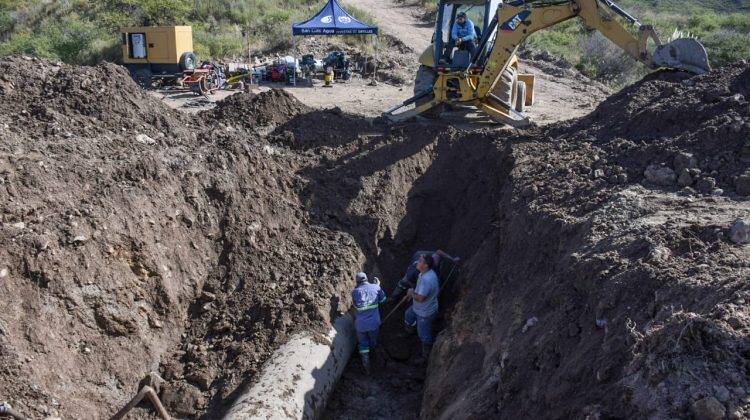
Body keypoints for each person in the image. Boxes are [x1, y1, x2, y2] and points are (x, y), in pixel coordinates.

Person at [404, 253, 440, 364]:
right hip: (419, 307)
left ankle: (425, 357)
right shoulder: (425, 273)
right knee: (408, 316)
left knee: (424, 335)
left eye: (420, 261)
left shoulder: (426, 280)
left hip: (424, 313)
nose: (417, 262)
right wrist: (414, 292)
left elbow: (420, 298)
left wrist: (411, 294)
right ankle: (410, 332)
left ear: (426, 265)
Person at [390, 249, 459, 302]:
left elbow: (439, 252)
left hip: (421, 259)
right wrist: (413, 291)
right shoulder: (414, 272)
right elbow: (411, 282)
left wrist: (452, 259)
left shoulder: (433, 258)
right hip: (412, 273)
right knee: (402, 284)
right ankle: (392, 298)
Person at [351, 272, 386, 374]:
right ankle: (374, 355)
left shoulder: (355, 292)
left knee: (362, 344)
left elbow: (356, 307)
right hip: (374, 323)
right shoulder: (375, 287)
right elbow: (383, 300)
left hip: (360, 324)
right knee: (373, 340)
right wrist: (377, 287)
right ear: (366, 279)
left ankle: (366, 366)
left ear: (357, 282)